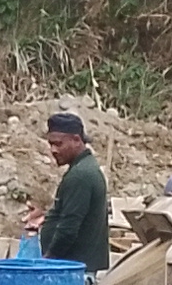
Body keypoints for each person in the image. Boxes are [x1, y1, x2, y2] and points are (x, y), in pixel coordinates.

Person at [32, 111, 112, 271]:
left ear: (76, 140)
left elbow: (68, 228)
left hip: (73, 270)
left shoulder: (81, 175)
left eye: (58, 144)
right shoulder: (84, 169)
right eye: (51, 144)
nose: (53, 150)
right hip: (76, 267)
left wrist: (48, 261)